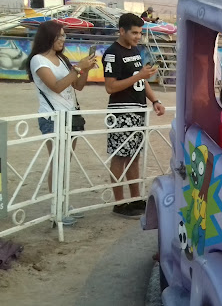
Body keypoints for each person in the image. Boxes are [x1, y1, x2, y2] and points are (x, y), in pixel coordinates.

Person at [22, 21, 97, 225]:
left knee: (65, 163)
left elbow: (78, 86)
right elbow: (55, 86)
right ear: (48, 37)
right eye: (59, 36)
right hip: (52, 118)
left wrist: (86, 69)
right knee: (57, 163)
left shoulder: (62, 60)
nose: (63, 40)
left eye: (64, 36)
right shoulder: (38, 61)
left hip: (70, 117)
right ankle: (57, 209)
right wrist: (78, 68)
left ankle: (64, 205)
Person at [103, 13, 165, 218]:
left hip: (138, 109)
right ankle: (120, 203)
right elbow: (110, 87)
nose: (139, 36)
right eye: (135, 32)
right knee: (120, 156)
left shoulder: (136, 50)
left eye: (140, 32)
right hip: (121, 111)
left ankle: (135, 199)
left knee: (134, 156)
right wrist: (138, 75)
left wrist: (154, 100)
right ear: (122, 31)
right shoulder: (112, 53)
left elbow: (142, 80)